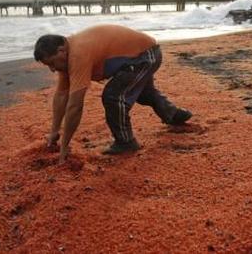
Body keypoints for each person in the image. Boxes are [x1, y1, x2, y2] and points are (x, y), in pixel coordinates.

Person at [34, 24, 192, 163]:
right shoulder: (67, 57)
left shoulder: (78, 55)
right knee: (143, 93)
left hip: (145, 55)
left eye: (52, 63)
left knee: (114, 97)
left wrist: (64, 148)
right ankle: (174, 115)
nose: (53, 69)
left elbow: (75, 106)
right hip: (136, 56)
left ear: (61, 51)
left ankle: (126, 142)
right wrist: (54, 132)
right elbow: (62, 96)